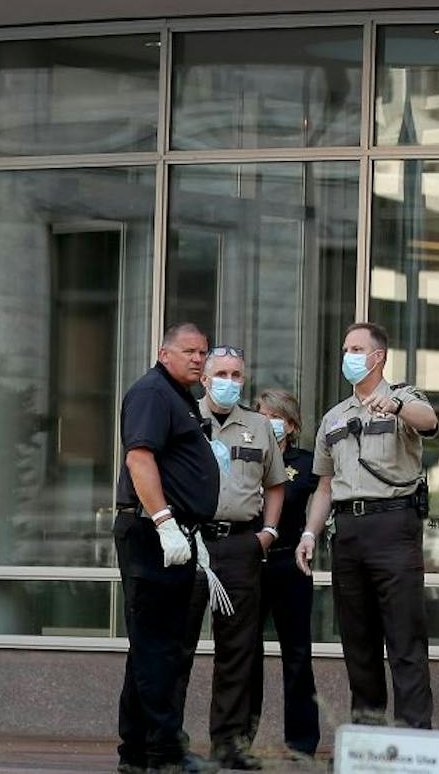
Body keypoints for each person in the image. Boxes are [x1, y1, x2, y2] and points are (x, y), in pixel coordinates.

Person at [295, 322, 439, 729]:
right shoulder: (334, 417)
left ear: (379, 357)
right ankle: (367, 736)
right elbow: (325, 484)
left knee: (404, 640)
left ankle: (414, 737)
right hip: (348, 533)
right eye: (346, 348)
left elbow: (428, 421)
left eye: (357, 349)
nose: (349, 356)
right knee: (358, 643)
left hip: (393, 526)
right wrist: (309, 533)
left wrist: (393, 407)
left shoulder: (403, 398)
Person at [113, 323, 221, 774]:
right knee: (160, 650)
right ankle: (164, 754)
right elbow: (138, 458)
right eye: (189, 351)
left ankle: (137, 753)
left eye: (203, 352)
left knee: (151, 648)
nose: (198, 359)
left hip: (174, 533)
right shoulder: (153, 392)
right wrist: (165, 523)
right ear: (164, 353)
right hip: (153, 535)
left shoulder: (177, 396)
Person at [172, 346, 285, 771]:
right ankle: (171, 742)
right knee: (178, 644)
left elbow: (276, 484)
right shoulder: (182, 419)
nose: (230, 381)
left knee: (238, 648)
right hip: (190, 543)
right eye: (222, 372)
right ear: (204, 378)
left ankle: (231, 745)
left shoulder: (259, 426)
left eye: (237, 374)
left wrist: (268, 534)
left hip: (240, 546)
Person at [247, 389, 320, 760]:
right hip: (249, 565)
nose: (266, 421)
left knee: (297, 654)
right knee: (245, 654)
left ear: (290, 425)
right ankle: (239, 741)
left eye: (274, 416)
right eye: (260, 414)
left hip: (290, 565)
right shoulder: (245, 456)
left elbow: (325, 500)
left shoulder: (305, 463)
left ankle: (302, 742)